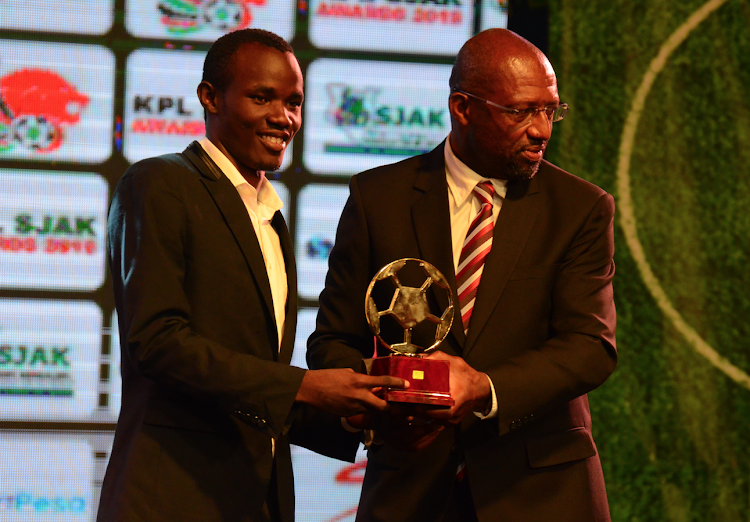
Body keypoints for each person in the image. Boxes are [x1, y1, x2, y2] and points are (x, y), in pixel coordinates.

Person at [307, 28, 617, 522]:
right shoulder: (377, 199)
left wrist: (483, 387)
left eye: (549, 109)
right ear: (462, 107)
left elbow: (589, 347)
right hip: (409, 490)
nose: (541, 130)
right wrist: (384, 401)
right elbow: (332, 343)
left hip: (543, 494)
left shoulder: (580, 209)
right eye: (521, 111)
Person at [98, 29, 406, 522]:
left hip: (257, 500)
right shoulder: (160, 182)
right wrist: (304, 387)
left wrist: (354, 410)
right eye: (262, 97)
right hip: (171, 499)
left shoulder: (268, 214)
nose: (283, 118)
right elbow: (157, 343)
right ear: (210, 97)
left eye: (294, 103)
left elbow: (252, 379)